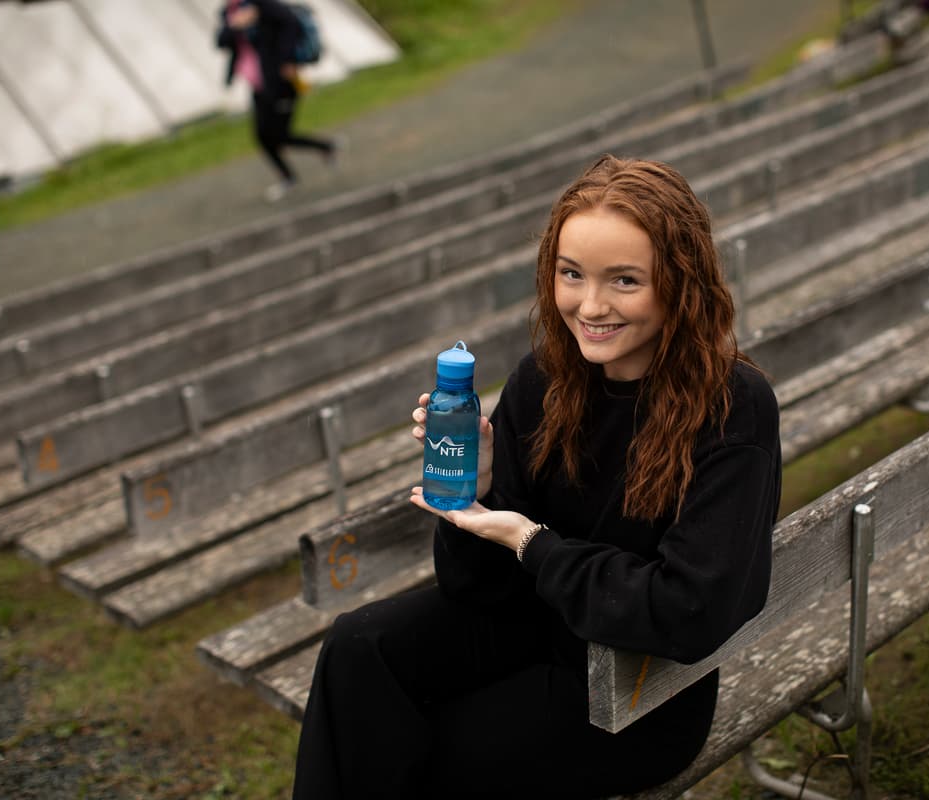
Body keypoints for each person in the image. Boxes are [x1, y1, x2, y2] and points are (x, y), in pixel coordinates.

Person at [291, 156, 782, 799]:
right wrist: (484, 491)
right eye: (571, 274)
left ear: (680, 283)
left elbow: (686, 611)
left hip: (633, 690)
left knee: (421, 745)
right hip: (532, 630)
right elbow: (476, 590)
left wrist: (532, 542)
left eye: (625, 281)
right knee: (360, 649)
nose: (591, 305)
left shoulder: (731, 408)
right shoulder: (546, 377)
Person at [217, 0, 336, 202]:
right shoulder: (228, 12)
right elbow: (221, 42)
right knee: (263, 136)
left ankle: (326, 147)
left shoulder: (262, 5)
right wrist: (235, 25)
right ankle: (293, 173)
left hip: (280, 82)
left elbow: (291, 25)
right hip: (258, 85)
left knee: (280, 134)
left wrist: (286, 60)